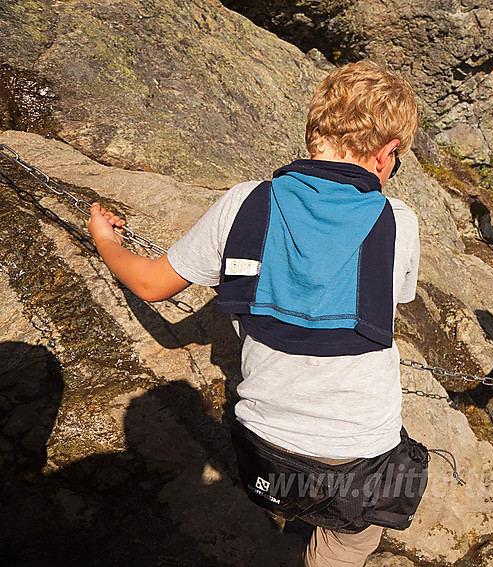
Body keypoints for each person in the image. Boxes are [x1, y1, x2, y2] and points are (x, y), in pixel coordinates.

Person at [86, 61, 421, 567]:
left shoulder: (244, 202)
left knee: (299, 497)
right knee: (353, 537)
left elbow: (151, 284)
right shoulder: (398, 222)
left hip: (262, 445)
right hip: (355, 456)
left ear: (315, 133)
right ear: (387, 153)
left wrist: (104, 241)